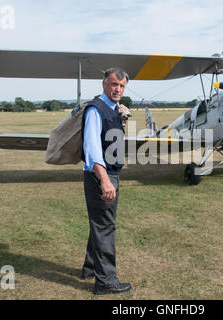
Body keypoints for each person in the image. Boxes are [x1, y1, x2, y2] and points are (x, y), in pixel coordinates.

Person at [80, 68, 132, 295]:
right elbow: (92, 150)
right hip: (101, 176)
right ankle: (106, 282)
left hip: (110, 173)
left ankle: (91, 268)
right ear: (103, 85)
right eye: (113, 84)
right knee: (105, 226)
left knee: (100, 224)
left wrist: (121, 118)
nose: (117, 89)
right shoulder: (95, 109)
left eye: (121, 86)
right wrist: (105, 181)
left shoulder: (113, 109)